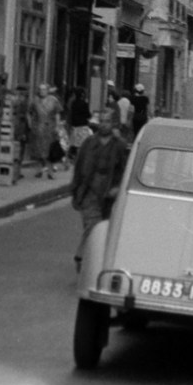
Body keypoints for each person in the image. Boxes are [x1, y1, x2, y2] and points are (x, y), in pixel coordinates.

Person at [71, 111, 128, 268]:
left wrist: (118, 188)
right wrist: (75, 191)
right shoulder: (88, 143)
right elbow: (79, 168)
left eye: (107, 121)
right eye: (101, 121)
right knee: (92, 225)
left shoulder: (119, 145)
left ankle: (95, 261)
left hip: (109, 194)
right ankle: (81, 257)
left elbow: (125, 171)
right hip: (89, 190)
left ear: (113, 124)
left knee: (105, 229)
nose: (104, 124)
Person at [28, 84, 62, 178]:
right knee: (38, 149)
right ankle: (39, 170)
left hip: (50, 127)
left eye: (44, 89)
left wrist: (57, 126)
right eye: (40, 89)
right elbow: (29, 112)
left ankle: (50, 172)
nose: (42, 91)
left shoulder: (53, 100)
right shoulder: (35, 100)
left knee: (49, 150)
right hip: (38, 127)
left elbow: (58, 113)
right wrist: (30, 124)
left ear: (47, 90)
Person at [67, 87, 92, 158]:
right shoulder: (84, 104)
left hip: (75, 126)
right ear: (82, 95)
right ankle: (81, 157)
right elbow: (88, 115)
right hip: (83, 125)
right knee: (82, 143)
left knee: (75, 143)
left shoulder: (73, 103)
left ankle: (74, 156)